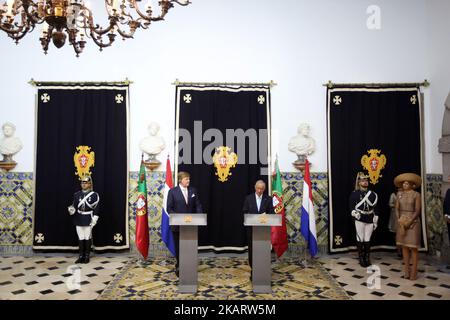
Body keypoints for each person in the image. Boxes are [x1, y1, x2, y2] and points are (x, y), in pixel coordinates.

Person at [166, 171, 203, 277]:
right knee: (179, 247)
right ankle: (179, 266)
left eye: (189, 179)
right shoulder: (172, 192)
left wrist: (199, 216)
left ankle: (189, 265)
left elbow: (198, 205)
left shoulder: (193, 190)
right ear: (180, 180)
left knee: (189, 246)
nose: (188, 181)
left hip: (191, 226)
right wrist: (179, 218)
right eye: (186, 179)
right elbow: (169, 208)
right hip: (177, 226)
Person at [242, 180, 274, 275]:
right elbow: (244, 211)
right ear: (255, 188)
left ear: (264, 189)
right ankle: (253, 270)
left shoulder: (268, 199)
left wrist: (265, 217)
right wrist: (253, 218)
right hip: (252, 229)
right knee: (252, 250)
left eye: (262, 189)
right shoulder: (249, 198)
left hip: (264, 230)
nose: (259, 190)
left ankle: (263, 269)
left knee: (263, 250)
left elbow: (272, 213)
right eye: (258, 188)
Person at [394, 172, 422, 280]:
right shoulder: (399, 194)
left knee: (413, 248)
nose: (405, 185)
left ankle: (414, 272)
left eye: (407, 183)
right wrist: (399, 219)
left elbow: (417, 210)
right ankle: (406, 271)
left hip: (413, 223)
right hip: (401, 223)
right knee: (404, 246)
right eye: (403, 183)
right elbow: (396, 208)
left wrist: (409, 221)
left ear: (411, 184)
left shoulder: (416, 194)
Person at [68, 175, 100, 264]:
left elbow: (96, 208)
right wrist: (71, 210)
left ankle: (87, 256)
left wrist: (94, 218)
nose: (84, 184)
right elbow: (74, 206)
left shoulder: (94, 195)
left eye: (86, 182)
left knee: (87, 237)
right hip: (78, 218)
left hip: (88, 218)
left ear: (90, 184)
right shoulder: (77, 194)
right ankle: (81, 256)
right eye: (82, 182)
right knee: (80, 237)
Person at [349, 172, 378, 267]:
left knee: (367, 239)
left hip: (369, 218)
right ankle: (361, 257)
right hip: (360, 218)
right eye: (363, 180)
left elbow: (376, 208)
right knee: (360, 238)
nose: (365, 182)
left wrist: (375, 218)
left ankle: (367, 257)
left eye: (366, 180)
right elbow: (351, 207)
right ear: (359, 182)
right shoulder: (354, 194)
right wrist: (355, 213)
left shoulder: (373, 194)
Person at [388, 186, 403, 257]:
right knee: (397, 233)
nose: (400, 189)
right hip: (395, 216)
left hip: (404, 215)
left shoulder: (405, 195)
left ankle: (404, 249)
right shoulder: (393, 195)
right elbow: (390, 204)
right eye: (399, 188)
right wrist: (396, 205)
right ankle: (399, 250)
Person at [444, 175, 450, 244]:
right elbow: (445, 204)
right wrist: (446, 215)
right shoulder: (448, 191)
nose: (448, 180)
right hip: (449, 219)